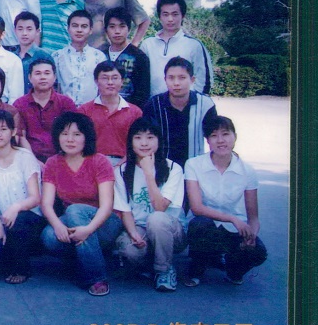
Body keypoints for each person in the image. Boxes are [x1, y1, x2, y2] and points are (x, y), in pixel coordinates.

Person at [39, 112, 122, 296]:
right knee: (49, 236)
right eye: (64, 134)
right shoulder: (53, 163)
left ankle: (96, 277)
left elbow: (107, 205)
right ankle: (83, 258)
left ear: (86, 137)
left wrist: (88, 229)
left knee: (75, 210)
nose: (70, 139)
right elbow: (46, 203)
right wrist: (58, 225)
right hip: (72, 221)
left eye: (77, 134)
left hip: (104, 223)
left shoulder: (99, 161)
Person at [184, 116, 267, 286]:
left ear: (235, 137)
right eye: (214, 135)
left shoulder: (247, 171)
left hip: (234, 230)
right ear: (207, 141)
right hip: (206, 225)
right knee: (199, 225)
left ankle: (233, 270)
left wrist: (252, 235)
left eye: (226, 134)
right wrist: (232, 218)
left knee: (258, 252)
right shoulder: (193, 165)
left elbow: (253, 217)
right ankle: (198, 266)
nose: (220, 140)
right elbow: (197, 208)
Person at [113, 118, 187, 292]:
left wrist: (148, 173)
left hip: (171, 230)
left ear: (159, 140)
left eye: (150, 137)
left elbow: (160, 208)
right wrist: (133, 234)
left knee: (156, 218)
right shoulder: (122, 171)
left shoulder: (173, 168)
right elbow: (125, 210)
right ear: (131, 142)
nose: (144, 143)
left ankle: (164, 270)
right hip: (140, 227)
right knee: (130, 251)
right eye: (138, 137)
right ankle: (153, 263)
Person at [0, 109, 46, 284]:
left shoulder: (25, 157)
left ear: (13, 132)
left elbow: (35, 198)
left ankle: (23, 270)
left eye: (3, 129)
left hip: (29, 217)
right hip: (3, 221)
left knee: (18, 224)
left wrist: (16, 208)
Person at [142, 57, 218, 167]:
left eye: (182, 78)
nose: (176, 83)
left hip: (195, 167)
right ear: (165, 79)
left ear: (192, 80)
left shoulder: (205, 104)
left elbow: (214, 135)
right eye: (171, 78)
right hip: (162, 167)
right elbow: (145, 138)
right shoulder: (154, 105)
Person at [141, 0, 214, 96]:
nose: (170, 19)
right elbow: (141, 79)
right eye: (165, 14)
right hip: (155, 104)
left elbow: (204, 81)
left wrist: (192, 101)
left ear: (182, 16)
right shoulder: (147, 45)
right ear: (159, 16)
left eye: (175, 14)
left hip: (186, 104)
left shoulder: (194, 45)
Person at [78, 61, 143, 165]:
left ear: (122, 81)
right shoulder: (84, 110)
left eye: (115, 78)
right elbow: (80, 144)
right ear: (96, 81)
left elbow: (138, 145)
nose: (110, 82)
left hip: (125, 164)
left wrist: (120, 167)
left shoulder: (135, 112)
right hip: (92, 164)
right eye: (105, 78)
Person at [13, 58, 77, 162]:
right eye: (38, 73)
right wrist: (34, 161)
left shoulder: (66, 103)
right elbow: (21, 137)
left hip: (63, 158)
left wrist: (57, 161)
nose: (42, 77)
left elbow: (72, 135)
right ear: (29, 78)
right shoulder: (20, 104)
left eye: (47, 73)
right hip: (29, 159)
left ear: (54, 77)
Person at [98, 8, 151, 108]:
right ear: (106, 30)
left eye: (122, 26)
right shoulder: (100, 55)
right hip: (102, 110)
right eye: (112, 27)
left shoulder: (139, 57)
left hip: (129, 111)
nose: (117, 31)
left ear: (129, 29)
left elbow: (143, 93)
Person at [52, 9, 103, 105]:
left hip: (91, 109)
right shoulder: (57, 57)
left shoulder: (99, 57)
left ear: (90, 30)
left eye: (84, 26)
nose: (79, 30)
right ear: (68, 28)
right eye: (75, 26)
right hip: (65, 110)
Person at [5, 11, 54, 95]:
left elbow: (53, 85)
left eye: (29, 29)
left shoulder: (44, 56)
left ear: (37, 31)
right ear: (15, 31)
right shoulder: (10, 56)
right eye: (20, 29)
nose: (24, 33)